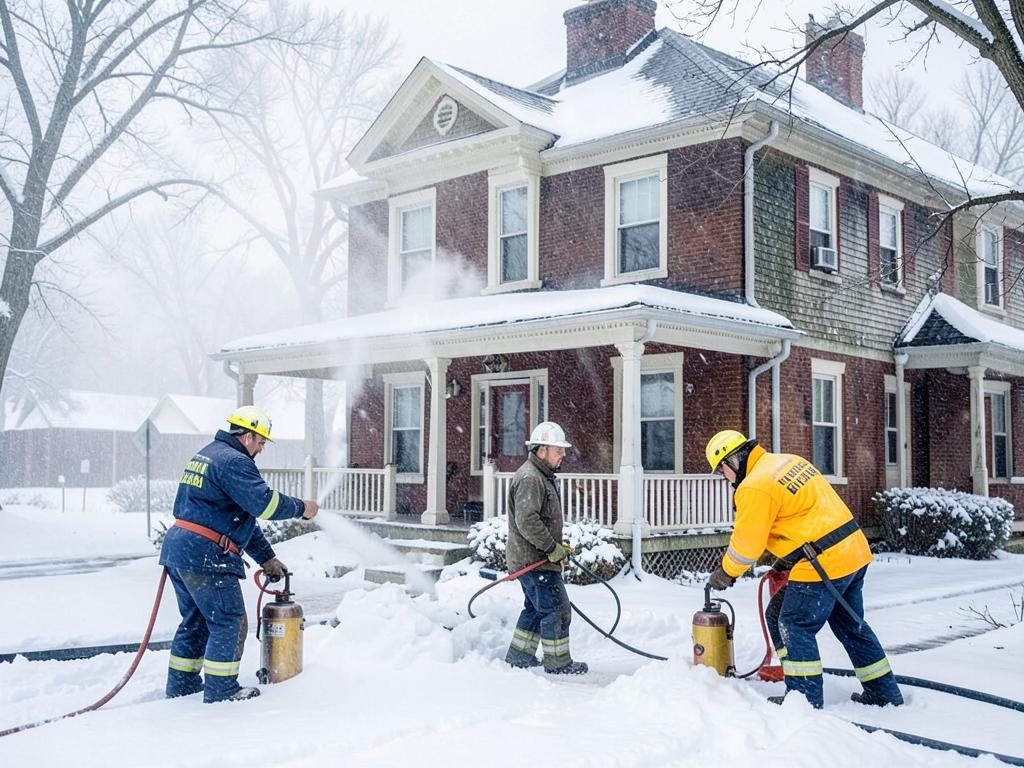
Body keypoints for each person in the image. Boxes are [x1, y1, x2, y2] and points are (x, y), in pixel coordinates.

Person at [704, 429, 902, 709]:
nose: (724, 478)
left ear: (731, 462)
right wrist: (787, 558)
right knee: (851, 626)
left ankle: (804, 700)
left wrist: (724, 574)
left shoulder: (754, 485)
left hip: (824, 563)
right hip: (853, 551)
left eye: (720, 471)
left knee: (792, 622)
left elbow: (745, 547)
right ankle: (884, 692)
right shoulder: (787, 462)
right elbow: (808, 514)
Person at [159, 405, 319, 703]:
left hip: (181, 550)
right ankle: (222, 690)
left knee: (195, 621)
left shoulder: (209, 454)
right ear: (247, 436)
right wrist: (302, 508)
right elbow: (264, 505)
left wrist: (266, 558)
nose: (261, 449)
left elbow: (240, 518)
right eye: (260, 442)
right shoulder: (235, 461)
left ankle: (181, 686)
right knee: (229, 621)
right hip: (208, 556)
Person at [503, 421, 588, 675]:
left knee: (535, 608)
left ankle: (520, 656)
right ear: (541, 450)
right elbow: (527, 520)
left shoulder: (539, 475)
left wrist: (553, 546)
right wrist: (551, 548)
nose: (563, 454)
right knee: (556, 610)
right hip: (535, 561)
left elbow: (537, 519)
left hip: (532, 559)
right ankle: (558, 663)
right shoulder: (531, 478)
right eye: (558, 449)